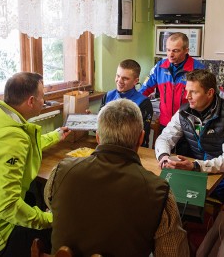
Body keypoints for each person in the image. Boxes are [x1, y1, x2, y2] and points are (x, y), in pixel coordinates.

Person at [45, 99, 189, 257]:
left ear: (98, 137)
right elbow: (173, 253)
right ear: (141, 139)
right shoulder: (159, 191)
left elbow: (52, 205)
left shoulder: (60, 171)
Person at [0, 72, 71, 257]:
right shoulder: (12, 138)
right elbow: (6, 206)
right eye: (43, 97)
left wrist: (55, 136)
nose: (44, 102)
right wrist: (48, 219)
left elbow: (21, 146)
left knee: (32, 198)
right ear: (31, 101)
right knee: (56, 229)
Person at [155, 69, 224, 257]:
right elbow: (164, 138)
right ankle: (175, 246)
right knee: (159, 198)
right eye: (187, 90)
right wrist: (164, 157)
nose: (187, 96)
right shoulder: (184, 112)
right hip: (193, 171)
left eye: (193, 92)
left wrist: (196, 166)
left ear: (210, 93)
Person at [99, 59, 153, 147]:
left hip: (132, 150)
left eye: (125, 78)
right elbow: (100, 129)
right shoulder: (108, 96)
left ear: (136, 81)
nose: (119, 81)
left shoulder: (143, 103)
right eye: (118, 76)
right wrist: (92, 121)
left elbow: (141, 136)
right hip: (107, 147)